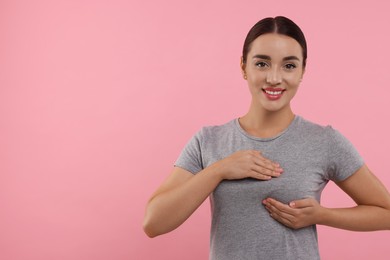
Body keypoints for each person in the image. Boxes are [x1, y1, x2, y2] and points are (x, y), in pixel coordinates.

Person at [143, 16, 390, 259]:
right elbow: (154, 222)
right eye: (262, 64)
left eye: (289, 65)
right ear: (243, 67)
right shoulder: (209, 141)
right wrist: (219, 169)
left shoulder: (325, 141)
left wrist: (322, 215)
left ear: (303, 70)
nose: (274, 78)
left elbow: (386, 212)